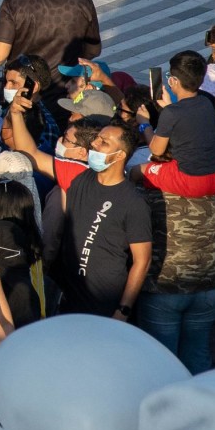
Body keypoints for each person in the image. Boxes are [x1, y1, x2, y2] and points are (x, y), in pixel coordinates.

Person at [45, 120, 153, 319]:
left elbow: (142, 261)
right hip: (68, 300)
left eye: (104, 142)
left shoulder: (133, 202)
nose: (94, 143)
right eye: (97, 138)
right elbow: (32, 153)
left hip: (103, 307)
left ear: (120, 155)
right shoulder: (81, 178)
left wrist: (123, 309)